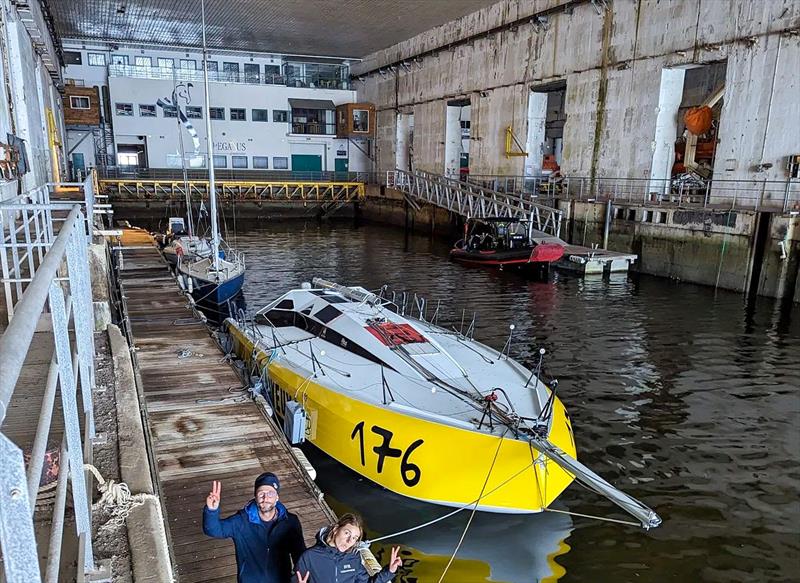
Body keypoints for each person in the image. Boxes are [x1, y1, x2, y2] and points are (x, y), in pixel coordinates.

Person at [203, 472, 305, 583]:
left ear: (277, 497)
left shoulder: (291, 522)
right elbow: (213, 530)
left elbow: (299, 553)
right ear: (255, 497)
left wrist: (301, 578)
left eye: (270, 493)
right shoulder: (241, 520)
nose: (265, 498)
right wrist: (211, 510)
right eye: (261, 493)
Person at [294, 513, 401, 583]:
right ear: (336, 529)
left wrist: (390, 571)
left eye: (355, 538)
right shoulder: (309, 557)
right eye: (347, 533)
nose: (349, 541)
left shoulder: (354, 557)